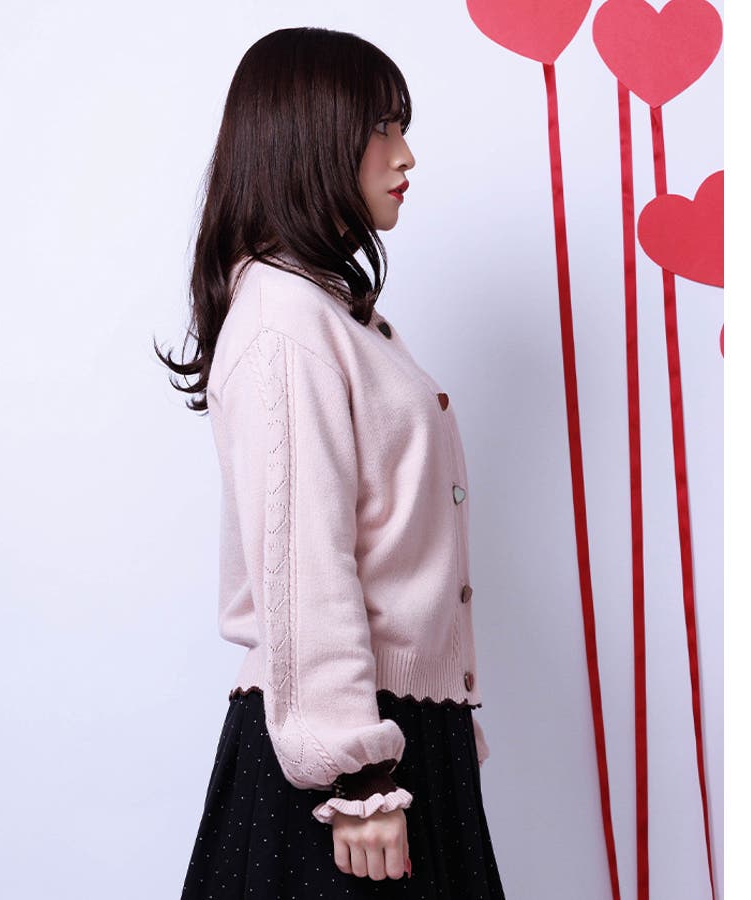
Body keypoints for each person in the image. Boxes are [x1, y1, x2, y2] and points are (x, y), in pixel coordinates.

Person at [156, 26, 507, 898]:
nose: (406, 154)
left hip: (391, 742)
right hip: (344, 767)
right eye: (383, 128)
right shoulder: (285, 324)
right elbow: (307, 567)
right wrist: (354, 778)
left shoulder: (327, 313)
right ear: (313, 139)